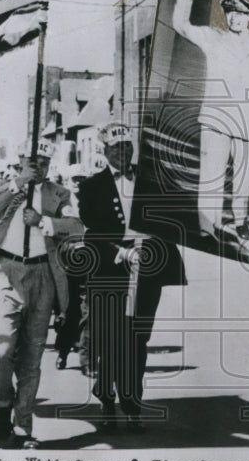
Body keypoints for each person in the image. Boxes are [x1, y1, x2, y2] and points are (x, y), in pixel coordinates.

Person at [77, 123, 186, 430]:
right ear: (105, 151)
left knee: (137, 339)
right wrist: (123, 253)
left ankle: (132, 402)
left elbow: (172, 214)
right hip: (110, 268)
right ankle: (107, 399)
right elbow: (91, 233)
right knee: (111, 337)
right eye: (116, 147)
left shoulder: (151, 181)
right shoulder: (91, 187)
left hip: (148, 265)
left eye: (127, 146)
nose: (123, 152)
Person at [0, 140, 83, 448]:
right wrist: (19, 182)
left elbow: (77, 226)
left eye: (45, 163)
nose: (39, 168)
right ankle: (2, 402)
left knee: (31, 356)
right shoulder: (7, 186)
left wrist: (44, 222)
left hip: (42, 275)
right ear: (21, 161)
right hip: (5, 272)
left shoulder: (59, 193)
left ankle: (23, 426)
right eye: (32, 162)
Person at [172, 0, 249, 240]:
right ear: (226, 16)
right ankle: (208, 228)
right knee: (212, 175)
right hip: (217, 119)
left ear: (248, 17)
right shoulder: (213, 38)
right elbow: (181, 25)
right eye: (230, 12)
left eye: (240, 14)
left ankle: (240, 219)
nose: (234, 18)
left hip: (248, 122)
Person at [53, 164, 90, 372]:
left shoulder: (94, 200)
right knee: (68, 311)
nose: (78, 183)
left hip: (91, 259)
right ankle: (63, 352)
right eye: (75, 179)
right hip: (67, 260)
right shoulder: (62, 202)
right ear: (68, 181)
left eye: (82, 179)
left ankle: (86, 360)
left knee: (89, 311)